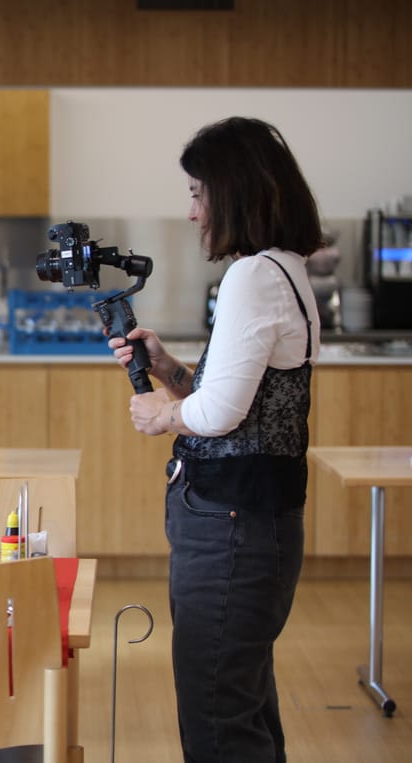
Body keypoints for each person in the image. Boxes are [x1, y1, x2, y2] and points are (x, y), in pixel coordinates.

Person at [109, 117, 323, 762]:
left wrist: (160, 414)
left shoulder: (252, 276)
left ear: (234, 193)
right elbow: (247, 397)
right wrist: (172, 371)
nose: (194, 210)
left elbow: (222, 414)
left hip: (232, 524)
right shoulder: (283, 269)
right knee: (243, 705)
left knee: (216, 717)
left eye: (200, 192)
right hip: (256, 519)